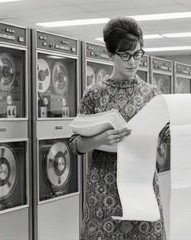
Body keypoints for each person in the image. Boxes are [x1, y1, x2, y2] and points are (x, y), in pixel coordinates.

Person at [70, 16, 167, 240]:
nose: (132, 62)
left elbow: (167, 135)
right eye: (125, 55)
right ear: (110, 54)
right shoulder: (94, 94)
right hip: (103, 188)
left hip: (142, 184)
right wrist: (100, 139)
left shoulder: (152, 94)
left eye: (138, 54)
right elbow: (75, 145)